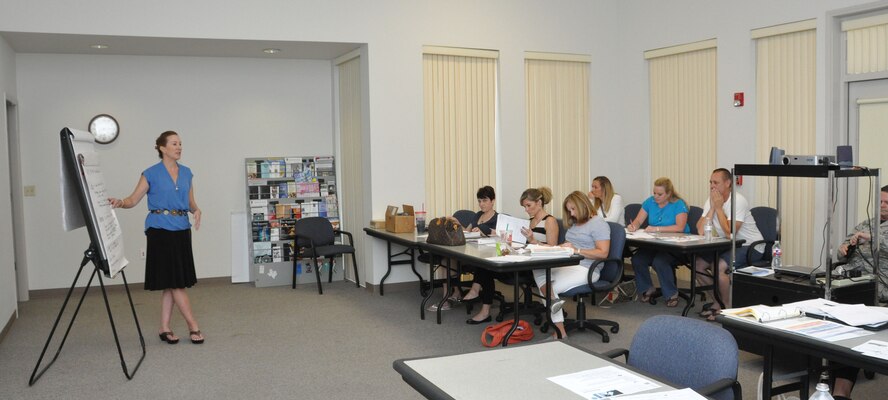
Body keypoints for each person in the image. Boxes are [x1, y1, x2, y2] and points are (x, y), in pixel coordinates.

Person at [109, 131, 205, 345]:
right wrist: (119, 202)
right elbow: (133, 199)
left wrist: (197, 210)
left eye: (180, 143)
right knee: (176, 282)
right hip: (160, 230)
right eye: (174, 144)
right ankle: (193, 325)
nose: (179, 147)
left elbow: (190, 202)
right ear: (162, 148)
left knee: (172, 282)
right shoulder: (150, 173)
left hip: (181, 229)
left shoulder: (187, 173)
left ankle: (164, 327)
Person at [831, 185, 888, 400]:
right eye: (880, 202)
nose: (882, 206)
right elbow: (841, 249)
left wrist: (871, 238)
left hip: (878, 289)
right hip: (850, 283)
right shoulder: (866, 223)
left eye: (887, 203)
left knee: (852, 332)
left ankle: (840, 391)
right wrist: (845, 248)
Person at [532, 191, 610, 338]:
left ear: (583, 205)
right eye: (569, 210)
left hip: (588, 268)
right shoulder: (576, 223)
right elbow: (570, 246)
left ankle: (559, 332)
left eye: (573, 209)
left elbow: (603, 253)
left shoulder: (598, 223)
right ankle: (554, 306)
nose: (572, 213)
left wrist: (576, 250)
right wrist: (559, 247)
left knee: (548, 290)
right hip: (569, 263)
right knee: (537, 267)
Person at [694, 168, 764, 320]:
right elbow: (700, 230)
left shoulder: (738, 200)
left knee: (718, 266)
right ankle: (717, 302)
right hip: (728, 244)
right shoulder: (711, 199)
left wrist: (718, 208)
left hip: (751, 245)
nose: (712, 186)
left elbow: (729, 233)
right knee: (698, 264)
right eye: (710, 182)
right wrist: (712, 207)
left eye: (716, 182)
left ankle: (726, 307)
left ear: (728, 183)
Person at [627, 177, 689, 307]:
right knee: (638, 259)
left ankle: (671, 294)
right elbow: (638, 220)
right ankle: (647, 288)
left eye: (659, 194)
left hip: (676, 245)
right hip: (656, 243)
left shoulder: (678, 204)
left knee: (660, 261)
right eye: (654, 193)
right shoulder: (650, 202)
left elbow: (680, 227)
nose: (655, 196)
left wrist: (657, 228)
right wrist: (634, 226)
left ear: (669, 194)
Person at [456, 186, 500, 323]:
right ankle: (473, 291)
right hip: (473, 250)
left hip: (489, 253)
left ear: (492, 201)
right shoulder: (477, 215)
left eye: (484, 201)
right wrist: (457, 224)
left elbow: (501, 236)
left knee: (484, 268)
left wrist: (485, 231)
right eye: (479, 201)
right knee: (479, 265)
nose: (481, 204)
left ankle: (476, 293)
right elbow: (467, 233)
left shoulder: (498, 218)